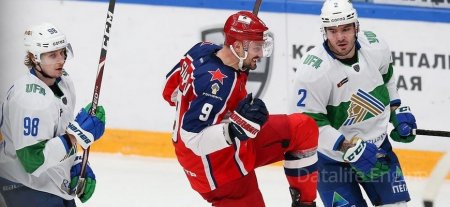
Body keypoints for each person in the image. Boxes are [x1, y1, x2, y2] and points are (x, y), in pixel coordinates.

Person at [162, 11, 320, 207]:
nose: (261, 54)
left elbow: (168, 92)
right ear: (237, 46)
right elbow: (192, 138)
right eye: (257, 47)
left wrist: (226, 119)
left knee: (302, 128)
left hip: (235, 144)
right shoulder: (219, 86)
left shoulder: (203, 49)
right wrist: (232, 129)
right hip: (214, 168)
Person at [289, 0, 418, 206]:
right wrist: (348, 147)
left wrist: (397, 110)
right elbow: (305, 124)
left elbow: (387, 79)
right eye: (332, 30)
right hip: (332, 161)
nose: (340, 37)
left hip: (376, 151)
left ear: (356, 26)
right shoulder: (313, 71)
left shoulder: (376, 46)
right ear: (324, 31)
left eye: (346, 29)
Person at [0, 22, 106, 207]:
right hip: (22, 189)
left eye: (62, 52)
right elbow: (33, 161)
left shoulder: (63, 80)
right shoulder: (29, 98)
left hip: (52, 186)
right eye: (52, 55)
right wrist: (76, 136)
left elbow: (57, 134)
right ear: (35, 58)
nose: (60, 60)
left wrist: (75, 164)